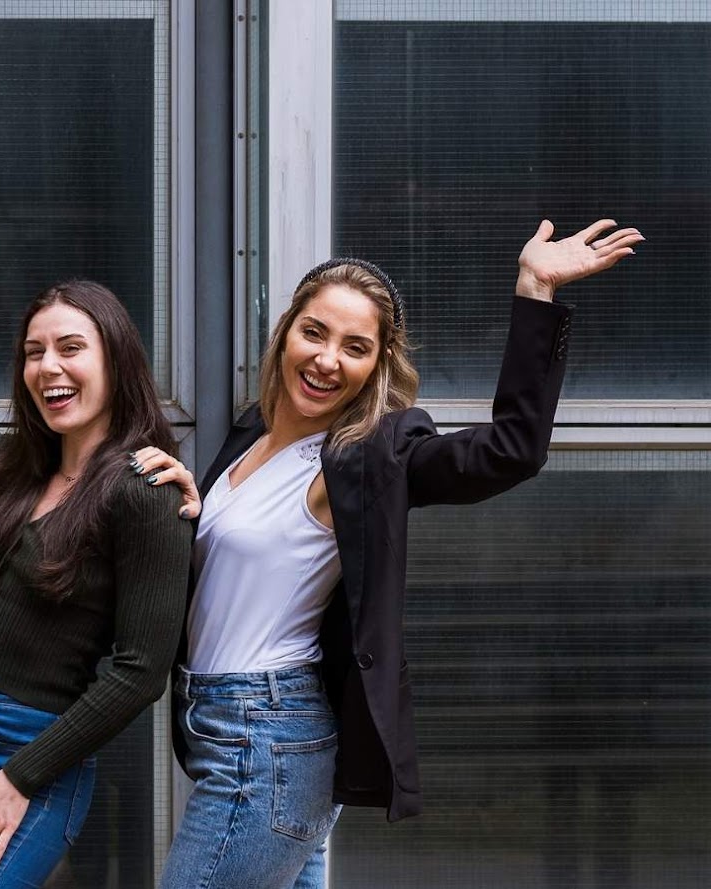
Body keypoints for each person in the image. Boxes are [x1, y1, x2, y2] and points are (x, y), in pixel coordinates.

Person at [136, 220, 642, 888]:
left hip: (269, 742)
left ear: (377, 364)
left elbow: (511, 449)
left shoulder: (365, 458)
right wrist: (190, 508)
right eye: (314, 332)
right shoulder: (250, 434)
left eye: (355, 346)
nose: (326, 359)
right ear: (286, 331)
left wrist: (535, 289)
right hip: (224, 731)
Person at [0, 187, 193, 887]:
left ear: (116, 360)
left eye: (70, 348)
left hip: (22, 750)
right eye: (34, 352)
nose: (48, 367)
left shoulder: (145, 492)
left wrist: (19, 777)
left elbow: (139, 671)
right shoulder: (18, 469)